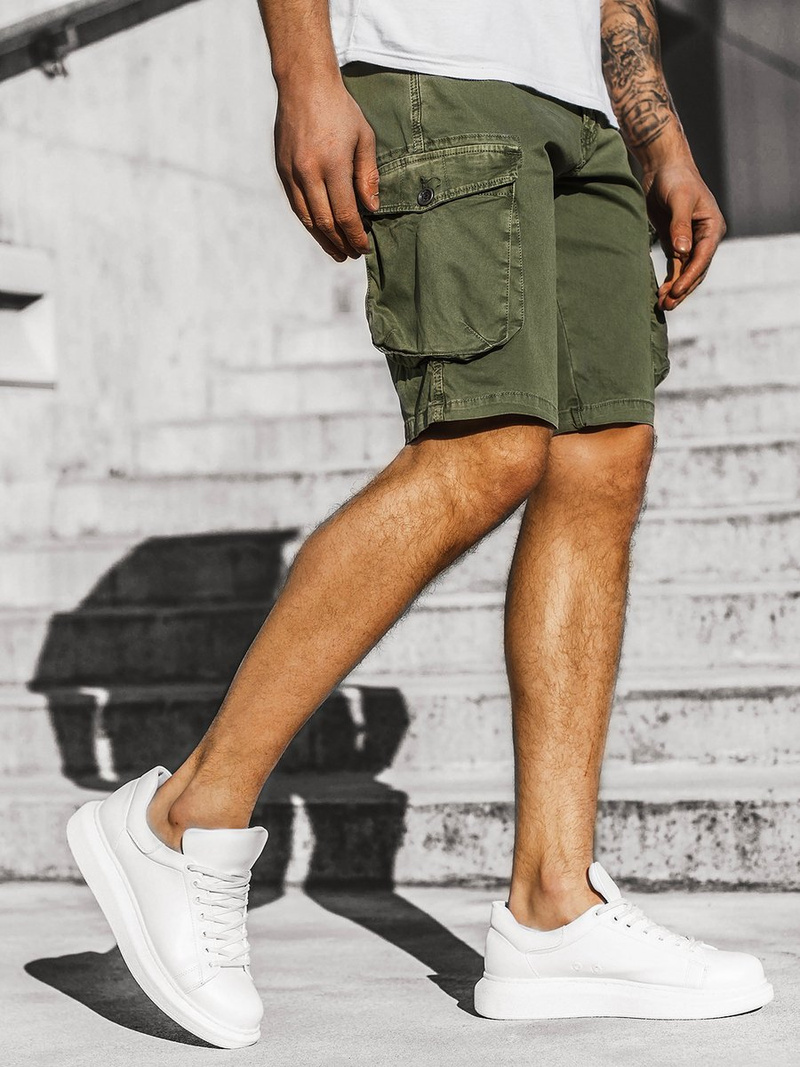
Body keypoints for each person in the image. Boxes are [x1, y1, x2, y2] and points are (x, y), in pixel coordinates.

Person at [65, 0, 773, 1048]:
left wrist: (660, 138)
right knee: (488, 444)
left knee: (602, 456)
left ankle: (554, 905)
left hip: (585, 117)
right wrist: (304, 75)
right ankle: (184, 818)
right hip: (435, 67)